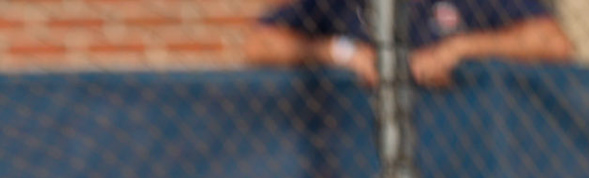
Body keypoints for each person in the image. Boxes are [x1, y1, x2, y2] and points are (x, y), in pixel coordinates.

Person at [244, 0, 572, 89]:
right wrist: (344, 53)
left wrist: (461, 49)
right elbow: (258, 44)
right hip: (360, 174)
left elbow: (553, 42)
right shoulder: (339, 3)